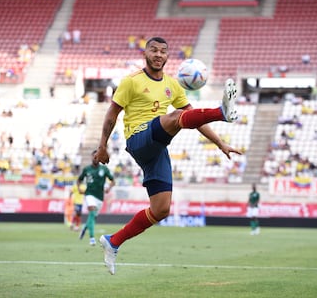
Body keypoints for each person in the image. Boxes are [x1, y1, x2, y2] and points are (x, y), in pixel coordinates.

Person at [94, 36, 240, 275]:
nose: (158, 54)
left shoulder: (173, 84)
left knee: (161, 209)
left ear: (168, 56)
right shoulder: (131, 81)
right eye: (154, 50)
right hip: (138, 138)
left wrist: (220, 143)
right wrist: (102, 146)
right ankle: (222, 111)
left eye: (163, 51)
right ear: (145, 53)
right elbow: (112, 114)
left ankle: (113, 241)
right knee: (174, 118)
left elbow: (195, 117)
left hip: (157, 147)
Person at [78, 150, 115, 246]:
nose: (95, 158)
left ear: (99, 158)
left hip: (99, 197)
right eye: (93, 157)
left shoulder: (104, 169)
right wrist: (79, 188)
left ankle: (85, 228)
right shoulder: (86, 169)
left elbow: (113, 181)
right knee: (92, 210)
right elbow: (79, 180)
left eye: (96, 157)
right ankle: (92, 238)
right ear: (91, 157)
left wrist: (109, 188)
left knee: (92, 216)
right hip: (89, 194)